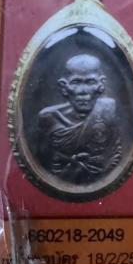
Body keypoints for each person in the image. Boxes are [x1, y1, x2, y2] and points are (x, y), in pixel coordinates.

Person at [37, 54, 121, 184]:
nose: (83, 91)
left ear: (101, 84)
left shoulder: (108, 110)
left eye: (90, 82)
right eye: (76, 82)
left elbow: (116, 156)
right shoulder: (49, 117)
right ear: (64, 86)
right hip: (56, 183)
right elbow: (41, 159)